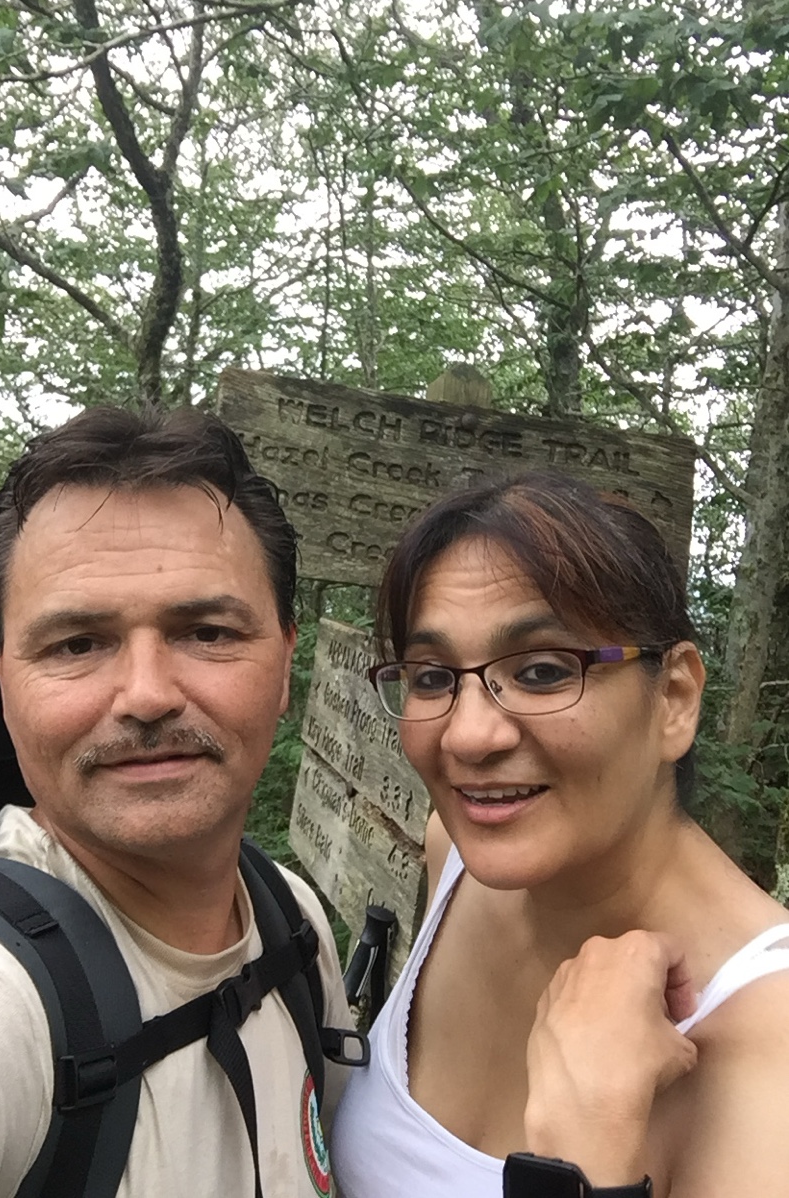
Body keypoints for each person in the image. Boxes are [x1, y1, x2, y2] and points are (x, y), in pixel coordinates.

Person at [0, 405, 352, 1197]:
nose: (148, 696)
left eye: (207, 631)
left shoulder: (287, 916)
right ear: (1, 674)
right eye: (77, 644)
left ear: (287, 659)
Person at [331, 471, 789, 1197]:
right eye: (430, 677)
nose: (470, 735)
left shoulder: (769, 1054)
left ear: (673, 698)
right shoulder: (457, 858)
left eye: (542, 671)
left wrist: (591, 1148)